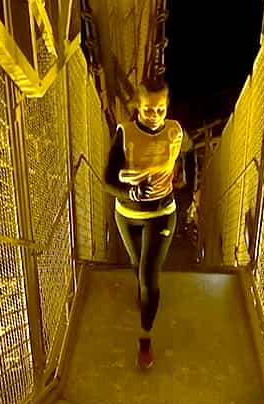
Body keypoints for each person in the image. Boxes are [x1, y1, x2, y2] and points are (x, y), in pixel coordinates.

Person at [103, 78, 189, 370]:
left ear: (167, 107)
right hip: (126, 215)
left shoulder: (175, 131)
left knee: (149, 276)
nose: (155, 115)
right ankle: (142, 292)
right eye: (149, 109)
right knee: (136, 263)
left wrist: (178, 178)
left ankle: (145, 338)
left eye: (160, 109)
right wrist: (130, 192)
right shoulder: (125, 134)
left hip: (162, 213)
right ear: (138, 107)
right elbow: (108, 180)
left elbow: (182, 156)